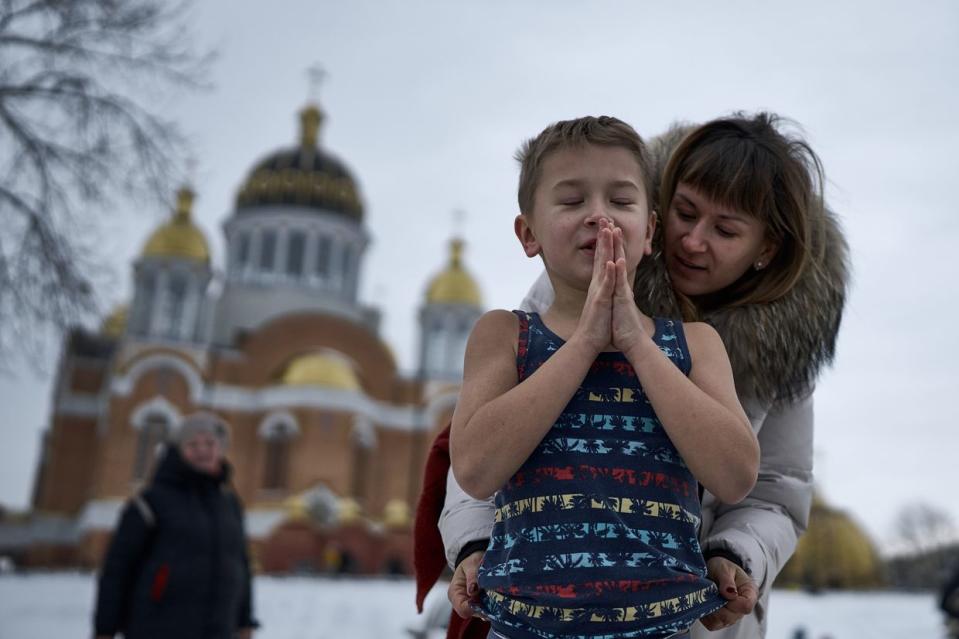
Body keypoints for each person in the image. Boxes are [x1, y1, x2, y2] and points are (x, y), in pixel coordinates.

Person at [418, 112, 849, 638]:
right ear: (658, 217)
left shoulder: (770, 346)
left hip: (690, 615)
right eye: (684, 214)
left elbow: (769, 488)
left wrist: (733, 555)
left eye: (726, 230)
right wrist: (476, 542)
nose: (692, 241)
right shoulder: (545, 310)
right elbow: (482, 458)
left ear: (766, 249)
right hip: (537, 610)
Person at [93, 412, 259, 639]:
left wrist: (245, 622)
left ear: (220, 450)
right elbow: (117, 569)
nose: (203, 450)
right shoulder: (151, 502)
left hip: (218, 631)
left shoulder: (229, 503)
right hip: (157, 629)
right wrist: (105, 629)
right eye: (193, 444)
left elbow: (241, 565)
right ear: (178, 451)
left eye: (210, 443)